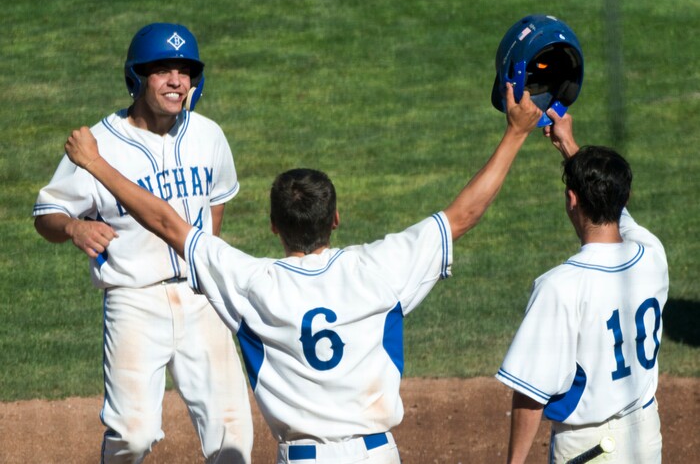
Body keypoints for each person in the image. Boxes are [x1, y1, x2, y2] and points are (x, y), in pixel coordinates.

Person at [63, 83, 541, 464]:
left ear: (274, 226)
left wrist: (95, 163)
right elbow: (462, 216)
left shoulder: (253, 284)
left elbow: (168, 223)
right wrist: (516, 132)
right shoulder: (377, 269)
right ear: (335, 219)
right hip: (379, 455)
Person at [32, 23, 253, 463]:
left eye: (185, 71)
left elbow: (216, 206)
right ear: (137, 77)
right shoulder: (99, 143)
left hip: (200, 298)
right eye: (162, 70)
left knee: (233, 441)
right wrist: (74, 229)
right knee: (131, 436)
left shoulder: (208, 135)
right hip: (134, 299)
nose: (176, 81)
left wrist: (205, 271)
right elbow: (46, 214)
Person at [496, 110, 669, 463]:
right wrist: (567, 145)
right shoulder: (651, 255)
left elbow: (531, 393)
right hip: (646, 438)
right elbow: (616, 210)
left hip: (590, 449)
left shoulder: (559, 287)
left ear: (571, 200)